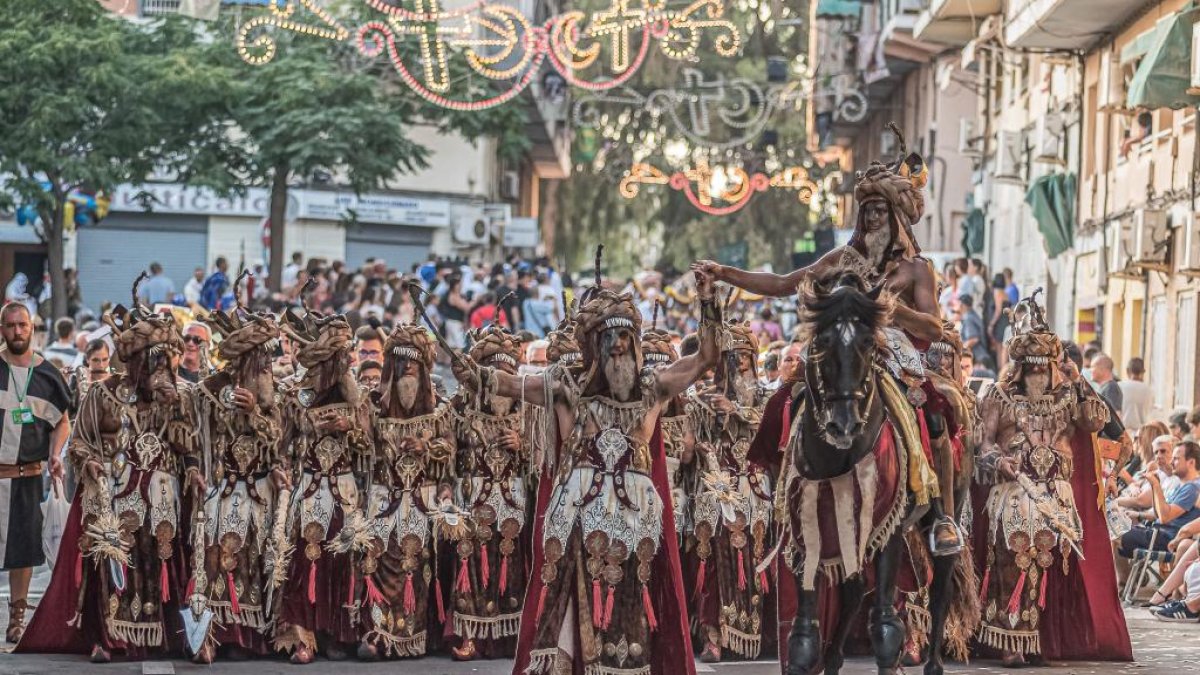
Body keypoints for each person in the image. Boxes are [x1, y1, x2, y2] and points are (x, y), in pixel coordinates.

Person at [692, 155, 962, 558]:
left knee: (936, 411)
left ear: (898, 217)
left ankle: (939, 516)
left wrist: (890, 307)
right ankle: (779, 487)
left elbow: (934, 328)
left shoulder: (918, 269)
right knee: (785, 399)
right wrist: (725, 273)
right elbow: (784, 284)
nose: (871, 219)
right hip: (839, 345)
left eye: (880, 210)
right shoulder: (840, 260)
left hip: (891, 347)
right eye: (866, 211)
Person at [454, 270, 719, 675]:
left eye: (627, 345)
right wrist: (476, 375)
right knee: (571, 599)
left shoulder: (654, 387)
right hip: (577, 516)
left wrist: (708, 302)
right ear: (593, 346)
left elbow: (705, 358)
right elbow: (509, 385)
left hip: (637, 522)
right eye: (611, 345)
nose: (619, 353)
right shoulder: (564, 386)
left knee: (633, 599)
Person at [19, 293, 198, 662]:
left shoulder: (176, 397)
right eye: (153, 364)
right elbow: (80, 442)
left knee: (158, 561)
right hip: (114, 493)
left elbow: (189, 446)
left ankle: (165, 636)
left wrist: (192, 465)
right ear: (134, 363)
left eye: (165, 363)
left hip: (161, 497)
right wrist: (91, 464)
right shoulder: (103, 394)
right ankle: (107, 637)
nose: (160, 371)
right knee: (110, 564)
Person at [975, 295, 1131, 665]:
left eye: (1045, 370)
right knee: (1014, 559)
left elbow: (1096, 421)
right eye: (1032, 371)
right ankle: (1012, 642)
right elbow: (982, 445)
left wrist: (1079, 380)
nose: (1039, 378)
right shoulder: (998, 397)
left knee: (1054, 564)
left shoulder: (1068, 397)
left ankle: (1046, 641)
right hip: (1014, 491)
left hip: (1057, 493)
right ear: (1019, 370)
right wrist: (1000, 460)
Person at [273, 307, 370, 664]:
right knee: (304, 559)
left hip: (344, 488)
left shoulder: (354, 393)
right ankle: (302, 636)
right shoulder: (298, 391)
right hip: (311, 486)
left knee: (343, 560)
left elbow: (371, 443)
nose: (342, 362)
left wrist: (352, 430)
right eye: (337, 356)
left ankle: (337, 635)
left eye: (345, 355)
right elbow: (281, 440)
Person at [355, 323, 456, 660]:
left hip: (424, 503)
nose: (407, 371)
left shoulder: (440, 410)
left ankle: (415, 636)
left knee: (421, 566)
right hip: (384, 503)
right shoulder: (372, 406)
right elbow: (359, 448)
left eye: (414, 365)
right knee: (374, 559)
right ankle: (377, 633)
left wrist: (426, 447)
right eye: (400, 365)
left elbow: (450, 459)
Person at [190, 305, 285, 662]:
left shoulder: (274, 397)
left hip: (259, 493)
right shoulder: (211, 390)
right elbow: (196, 438)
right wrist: (194, 470)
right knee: (215, 558)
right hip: (222, 490)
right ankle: (210, 635)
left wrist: (255, 414)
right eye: (257, 359)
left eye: (267, 361)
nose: (265, 367)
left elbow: (280, 440)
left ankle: (249, 638)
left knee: (256, 559)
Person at [446, 327, 528, 660]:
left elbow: (546, 453)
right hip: (472, 497)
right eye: (496, 372)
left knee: (513, 566)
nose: (503, 379)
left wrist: (523, 446)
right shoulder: (461, 406)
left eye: (509, 372)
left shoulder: (528, 410)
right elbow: (445, 449)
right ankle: (470, 636)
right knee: (471, 565)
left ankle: (510, 638)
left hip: (514, 500)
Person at [691, 322, 772, 662]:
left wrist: (736, 410)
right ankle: (713, 637)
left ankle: (756, 636)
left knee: (757, 559)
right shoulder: (703, 399)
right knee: (712, 561)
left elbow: (770, 428)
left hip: (756, 488)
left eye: (745, 357)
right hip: (716, 486)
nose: (740, 363)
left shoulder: (766, 396)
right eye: (733, 357)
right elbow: (694, 444)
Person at [0, 303, 71, 644]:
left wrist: (55, 453)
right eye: (11, 325)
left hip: (26, 476)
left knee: (22, 550)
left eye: (22, 325)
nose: (17, 331)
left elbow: (62, 421)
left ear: (32, 328)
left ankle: (16, 617)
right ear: (2, 329)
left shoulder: (47, 375)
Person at [1117, 441, 1200, 572]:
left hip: (1165, 539)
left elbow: (1164, 517)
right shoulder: (1183, 485)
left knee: (1114, 534)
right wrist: (1154, 485)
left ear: (1191, 462)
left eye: (1176, 459)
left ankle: (1119, 586)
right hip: (1157, 534)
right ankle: (1122, 585)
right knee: (1114, 529)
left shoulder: (1192, 487)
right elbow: (1159, 513)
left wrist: (1156, 485)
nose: (1172, 462)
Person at [1118, 357, 1153, 433]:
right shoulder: (1148, 390)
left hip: (1123, 432)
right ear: (1143, 372)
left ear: (1127, 370)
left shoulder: (1119, 386)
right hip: (1141, 433)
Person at [957, 294, 989, 364]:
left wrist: (960, 351)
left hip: (979, 360)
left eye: (959, 304)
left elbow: (973, 339)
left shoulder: (968, 318)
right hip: (980, 357)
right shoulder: (974, 315)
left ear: (962, 305)